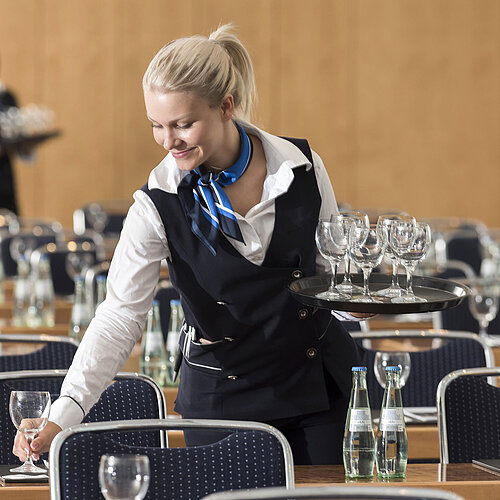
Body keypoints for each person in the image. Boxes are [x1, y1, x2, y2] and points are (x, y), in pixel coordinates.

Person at [13, 24, 364, 465]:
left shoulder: (301, 166)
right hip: (223, 400)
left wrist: (357, 302)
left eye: (183, 124)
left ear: (226, 107)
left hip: (320, 388)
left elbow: (332, 274)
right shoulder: (156, 203)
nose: (168, 140)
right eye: (156, 125)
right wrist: (64, 413)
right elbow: (120, 316)